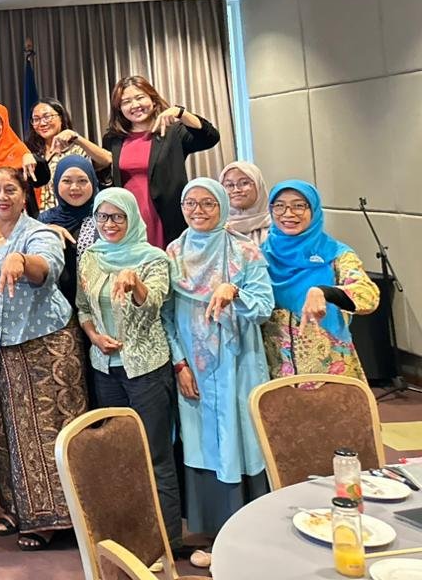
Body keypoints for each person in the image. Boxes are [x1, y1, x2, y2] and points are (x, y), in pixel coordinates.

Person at [0, 167, 86, 551]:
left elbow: (48, 267)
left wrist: (22, 261)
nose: (2, 197)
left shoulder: (38, 232)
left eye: (10, 189)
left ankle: (50, 517)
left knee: (39, 430)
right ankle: (16, 507)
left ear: (24, 194)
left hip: (39, 340)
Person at [162, 179, 274, 570]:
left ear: (223, 206)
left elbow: (264, 307)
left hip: (237, 365)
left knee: (241, 441)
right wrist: (179, 364)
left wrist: (235, 292)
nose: (198, 211)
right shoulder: (174, 253)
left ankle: (251, 533)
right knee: (203, 442)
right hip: (194, 366)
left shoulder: (244, 251)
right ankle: (214, 535)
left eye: (208, 203)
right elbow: (166, 316)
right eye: (190, 203)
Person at [75, 187, 182, 551]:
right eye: (103, 217)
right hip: (105, 370)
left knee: (155, 454)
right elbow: (83, 308)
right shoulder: (90, 257)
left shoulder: (153, 258)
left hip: (146, 369)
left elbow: (155, 303)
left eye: (118, 216)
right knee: (118, 453)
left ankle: (166, 542)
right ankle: (129, 541)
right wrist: (94, 337)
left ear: (132, 217)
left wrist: (135, 283)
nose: (110, 224)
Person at [260, 180, 380, 380]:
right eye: (279, 206)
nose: (288, 213)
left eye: (299, 205)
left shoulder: (336, 254)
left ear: (314, 210)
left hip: (330, 369)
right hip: (274, 371)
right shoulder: (259, 256)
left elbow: (368, 295)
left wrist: (325, 292)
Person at [101, 75, 220, 247]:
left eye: (140, 97)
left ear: (153, 100)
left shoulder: (173, 132)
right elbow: (107, 180)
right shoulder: (113, 139)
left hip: (166, 218)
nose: (134, 105)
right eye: (126, 102)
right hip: (127, 219)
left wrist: (180, 112)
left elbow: (210, 137)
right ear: (119, 108)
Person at [25, 99, 112, 211]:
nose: (42, 123)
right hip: (41, 216)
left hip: (74, 215)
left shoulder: (77, 150)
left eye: (47, 117)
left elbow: (107, 160)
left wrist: (76, 138)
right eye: (36, 119)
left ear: (61, 118)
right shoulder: (31, 153)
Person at [38, 155, 101, 307]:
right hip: (56, 306)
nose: (74, 187)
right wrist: (46, 232)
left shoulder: (104, 217)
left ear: (93, 182)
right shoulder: (44, 220)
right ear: (56, 183)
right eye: (66, 181)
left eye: (82, 181)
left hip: (97, 304)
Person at [219, 160, 271, 246]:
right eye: (229, 185)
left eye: (244, 183)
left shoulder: (279, 226)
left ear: (259, 186)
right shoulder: (216, 228)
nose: (236, 190)